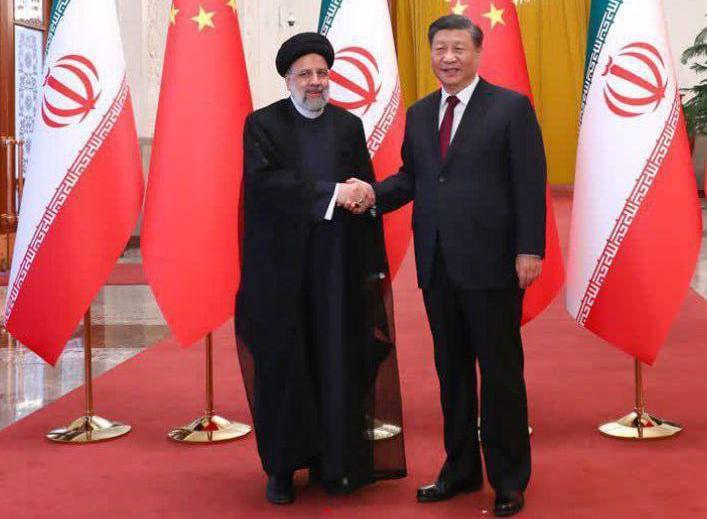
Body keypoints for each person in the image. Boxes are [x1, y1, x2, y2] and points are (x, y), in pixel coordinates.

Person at [347, 15, 545, 517]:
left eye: (458, 48)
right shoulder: (419, 114)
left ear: (477, 52)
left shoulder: (511, 108)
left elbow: (529, 183)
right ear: (431, 53)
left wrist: (530, 249)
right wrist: (371, 194)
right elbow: (413, 179)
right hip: (437, 263)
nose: (449, 58)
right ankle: (460, 468)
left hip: (493, 264)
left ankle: (508, 478)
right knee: (452, 373)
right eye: (440, 49)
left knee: (500, 374)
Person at [234, 32, 405, 506]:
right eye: (305, 74)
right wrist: (333, 194)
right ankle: (282, 468)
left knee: (337, 361)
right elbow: (267, 187)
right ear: (288, 79)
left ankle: (336, 463)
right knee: (285, 365)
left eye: (322, 73)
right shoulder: (262, 125)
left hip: (336, 272)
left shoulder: (347, 125)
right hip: (282, 274)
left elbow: (363, 188)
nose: (315, 82)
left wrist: (364, 196)